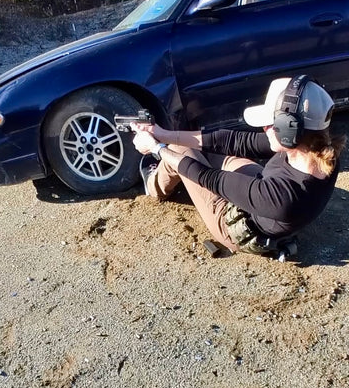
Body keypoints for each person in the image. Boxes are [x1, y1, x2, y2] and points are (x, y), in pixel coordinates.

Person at [131, 75, 346, 257]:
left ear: (290, 131)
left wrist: (156, 147)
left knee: (179, 151)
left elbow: (209, 177)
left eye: (270, 124)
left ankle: (153, 185)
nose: (264, 128)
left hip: (237, 225)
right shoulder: (321, 153)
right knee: (202, 150)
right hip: (265, 192)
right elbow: (234, 141)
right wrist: (162, 134)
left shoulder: (284, 198)